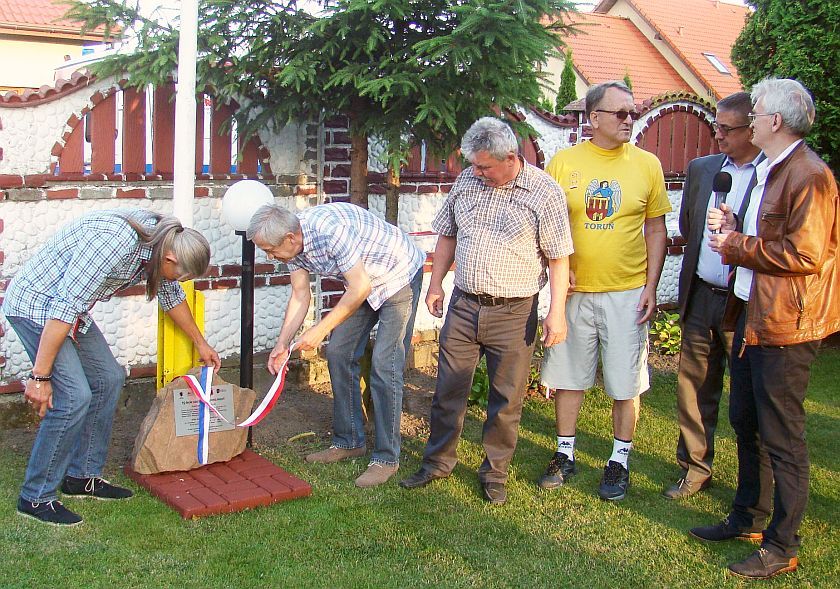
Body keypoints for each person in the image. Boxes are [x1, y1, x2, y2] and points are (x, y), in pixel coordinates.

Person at [692, 78, 839, 580]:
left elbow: (805, 254)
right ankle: (749, 516)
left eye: (754, 113)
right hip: (753, 318)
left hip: (786, 327)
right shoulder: (771, 169)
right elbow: (771, 234)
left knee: (783, 437)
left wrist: (735, 245)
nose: (748, 120)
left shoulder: (810, 175)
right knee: (746, 424)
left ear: (775, 122)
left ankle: (782, 545)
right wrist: (737, 223)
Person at [2, 209, 220, 527]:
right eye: (181, 275)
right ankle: (35, 495)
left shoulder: (160, 244)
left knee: (108, 378)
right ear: (170, 259)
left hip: (68, 311)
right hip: (38, 308)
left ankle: (82, 477)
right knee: (75, 397)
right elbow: (64, 306)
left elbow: (170, 295)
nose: (180, 281)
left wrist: (201, 343)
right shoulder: (114, 244)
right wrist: (40, 376)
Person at [400, 117, 573, 505]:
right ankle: (437, 462)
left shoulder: (544, 193)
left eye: (484, 167)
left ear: (510, 157)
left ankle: (494, 473)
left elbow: (560, 258)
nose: (477, 173)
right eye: (474, 165)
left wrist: (555, 312)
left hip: (514, 312)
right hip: (464, 305)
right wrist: (434, 284)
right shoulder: (467, 181)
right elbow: (448, 234)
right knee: (448, 390)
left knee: (506, 399)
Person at [539, 81, 671, 501]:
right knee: (568, 377)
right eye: (620, 114)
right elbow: (547, 225)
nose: (629, 120)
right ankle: (565, 453)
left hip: (627, 292)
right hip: (575, 294)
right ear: (594, 118)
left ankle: (619, 460)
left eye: (633, 113)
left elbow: (656, 228)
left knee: (625, 382)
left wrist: (651, 285)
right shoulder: (563, 164)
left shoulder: (647, 165)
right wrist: (554, 269)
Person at [247, 202, 424, 488]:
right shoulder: (292, 245)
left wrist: (320, 329)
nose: (270, 256)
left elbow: (360, 287)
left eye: (270, 250)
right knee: (339, 352)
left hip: (398, 275)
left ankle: (386, 458)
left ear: (291, 238)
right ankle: (349, 440)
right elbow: (300, 296)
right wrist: (282, 343)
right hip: (365, 282)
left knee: (384, 365)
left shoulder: (329, 232)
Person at [663, 92, 764, 500]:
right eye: (715, 127)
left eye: (727, 129)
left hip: (747, 303)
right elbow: (689, 226)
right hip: (702, 294)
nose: (717, 135)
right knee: (694, 386)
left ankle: (753, 481)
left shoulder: (771, 176)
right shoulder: (703, 169)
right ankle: (695, 467)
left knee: (748, 395)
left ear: (753, 129)